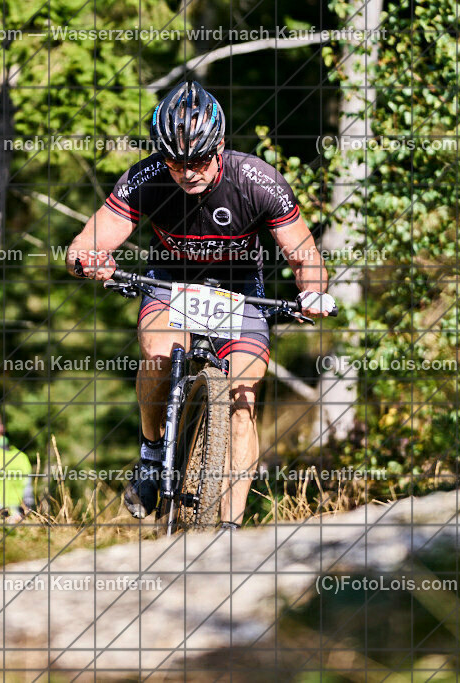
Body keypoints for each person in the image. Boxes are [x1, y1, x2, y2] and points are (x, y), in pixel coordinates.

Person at [65, 80, 334, 529]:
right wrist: (88, 259)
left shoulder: (258, 181)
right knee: (155, 357)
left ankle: (230, 528)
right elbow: (85, 243)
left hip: (239, 289)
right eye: (174, 161)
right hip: (172, 282)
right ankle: (152, 456)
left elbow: (306, 255)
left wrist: (313, 292)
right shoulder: (145, 179)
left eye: (198, 160)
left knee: (243, 402)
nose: (187, 172)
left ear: (220, 147)